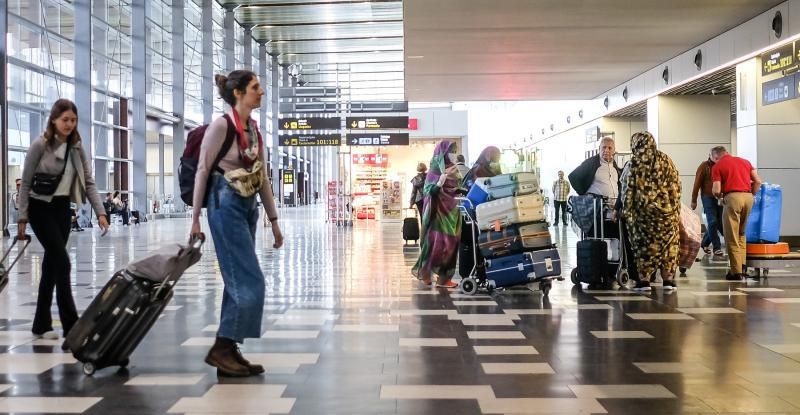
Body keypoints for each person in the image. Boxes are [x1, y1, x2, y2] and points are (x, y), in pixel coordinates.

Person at [191, 70, 284, 377]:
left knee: (236, 279)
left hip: (248, 204)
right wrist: (195, 219)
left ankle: (227, 349)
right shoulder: (221, 126)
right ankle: (223, 345)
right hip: (224, 204)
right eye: (256, 87)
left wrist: (273, 220)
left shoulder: (254, 129)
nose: (262, 92)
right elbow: (203, 171)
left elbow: (262, 176)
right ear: (239, 94)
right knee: (251, 280)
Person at [16, 99, 109, 343]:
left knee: (51, 266)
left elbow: (88, 181)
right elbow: (25, 183)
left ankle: (41, 324)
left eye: (73, 120)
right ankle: (71, 327)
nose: (69, 124)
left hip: (61, 209)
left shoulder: (77, 147)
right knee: (63, 262)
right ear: (54, 119)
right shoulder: (40, 145)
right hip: (39, 207)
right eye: (65, 119)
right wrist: (22, 216)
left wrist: (101, 212)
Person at [618, 132, 681, 291]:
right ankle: (668, 281)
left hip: (642, 217)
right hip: (667, 216)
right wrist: (674, 209)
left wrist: (626, 213)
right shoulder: (666, 160)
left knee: (644, 248)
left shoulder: (634, 164)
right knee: (668, 248)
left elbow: (627, 192)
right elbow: (676, 187)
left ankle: (644, 281)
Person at [412, 141, 462, 288]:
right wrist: (439, 183)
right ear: (442, 153)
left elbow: (458, 188)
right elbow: (428, 191)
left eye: (454, 150)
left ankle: (444, 278)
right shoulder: (435, 170)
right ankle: (425, 272)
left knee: (451, 246)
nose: (453, 154)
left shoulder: (455, 170)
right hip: (438, 215)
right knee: (435, 245)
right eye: (450, 151)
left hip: (452, 213)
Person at [710, 146, 762, 281]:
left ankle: (735, 272)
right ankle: (743, 267)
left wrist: (719, 197)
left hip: (732, 198)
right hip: (748, 197)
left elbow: (716, 190)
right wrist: (751, 194)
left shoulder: (718, 166)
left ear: (715, 157)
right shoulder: (745, 161)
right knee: (741, 234)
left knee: (731, 236)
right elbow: (758, 181)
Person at [458, 146, 502, 279]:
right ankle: (481, 270)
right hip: (477, 215)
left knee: (497, 236)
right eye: (494, 158)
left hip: (492, 214)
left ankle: (493, 269)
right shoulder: (478, 170)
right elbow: (472, 192)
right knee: (481, 241)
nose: (496, 161)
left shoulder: (490, 169)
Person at [691, 152, 724, 256]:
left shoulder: (722, 166)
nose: (718, 159)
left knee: (718, 223)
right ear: (710, 156)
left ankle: (704, 242)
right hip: (707, 197)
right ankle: (717, 247)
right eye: (715, 157)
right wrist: (694, 200)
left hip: (719, 197)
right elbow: (697, 183)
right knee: (713, 221)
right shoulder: (704, 166)